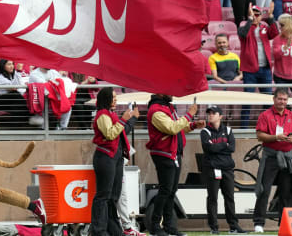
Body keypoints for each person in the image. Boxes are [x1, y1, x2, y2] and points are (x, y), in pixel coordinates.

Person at [146, 94, 205, 236]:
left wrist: (192, 125)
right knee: (165, 190)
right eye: (169, 90)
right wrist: (190, 114)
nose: (172, 93)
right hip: (164, 154)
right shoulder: (155, 110)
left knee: (171, 191)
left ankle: (169, 226)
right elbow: (172, 128)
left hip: (173, 154)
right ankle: (155, 226)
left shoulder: (167, 107)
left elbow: (178, 127)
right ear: (160, 92)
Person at [252, 89, 292, 233]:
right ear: (274, 99)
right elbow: (259, 135)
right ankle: (259, 223)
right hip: (271, 157)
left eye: (285, 100)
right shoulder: (265, 115)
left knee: (286, 192)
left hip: (287, 157)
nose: (282, 102)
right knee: (264, 190)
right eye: (280, 99)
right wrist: (276, 137)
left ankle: (284, 223)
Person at [90, 87, 138, 236]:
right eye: (114, 97)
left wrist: (131, 119)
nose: (116, 100)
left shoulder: (111, 114)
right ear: (106, 99)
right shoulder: (102, 115)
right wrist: (124, 119)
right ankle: (99, 230)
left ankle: (113, 229)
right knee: (103, 196)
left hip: (115, 158)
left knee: (113, 197)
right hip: (105, 157)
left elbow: (121, 131)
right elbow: (110, 134)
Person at [200, 105, 244, 234]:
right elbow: (208, 149)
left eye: (213, 113)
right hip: (212, 169)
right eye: (209, 113)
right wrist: (224, 145)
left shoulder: (229, 130)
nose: (210, 115)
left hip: (227, 169)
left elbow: (232, 148)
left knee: (229, 197)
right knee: (213, 198)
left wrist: (218, 147)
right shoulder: (205, 131)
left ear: (220, 116)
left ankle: (234, 226)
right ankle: (214, 227)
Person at [239, 3, 278, 95]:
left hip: (265, 69)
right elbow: (244, 34)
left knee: (267, 98)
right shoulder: (242, 28)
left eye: (257, 15)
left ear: (261, 16)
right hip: (249, 70)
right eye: (252, 14)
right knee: (248, 99)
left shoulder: (264, 28)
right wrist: (250, 19)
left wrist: (271, 16)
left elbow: (275, 33)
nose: (255, 17)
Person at [0, 59, 29, 125]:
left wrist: (19, 71)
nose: (12, 66)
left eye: (12, 64)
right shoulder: (0, 77)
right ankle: (23, 119)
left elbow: (20, 84)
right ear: (3, 66)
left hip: (9, 100)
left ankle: (18, 122)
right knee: (15, 95)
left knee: (17, 101)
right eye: (9, 64)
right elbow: (13, 88)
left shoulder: (12, 75)